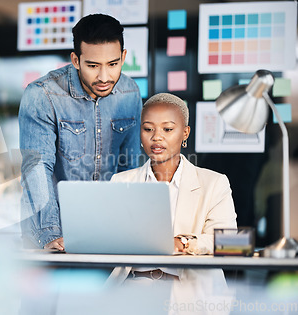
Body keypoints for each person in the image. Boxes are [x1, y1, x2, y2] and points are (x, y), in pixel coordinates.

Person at [19, 14, 143, 250]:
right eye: (93, 66)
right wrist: (50, 235)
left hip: (107, 232)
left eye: (113, 64)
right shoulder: (42, 95)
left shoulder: (130, 92)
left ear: (124, 57)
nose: (104, 77)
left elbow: (131, 168)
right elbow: (36, 169)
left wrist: (132, 227)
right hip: (53, 232)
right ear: (76, 60)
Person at [111, 93, 238, 256]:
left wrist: (184, 243)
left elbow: (231, 242)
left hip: (188, 280)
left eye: (167, 129)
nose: (156, 137)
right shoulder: (121, 182)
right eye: (148, 129)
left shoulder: (214, 183)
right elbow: (111, 239)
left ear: (185, 133)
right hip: (134, 279)